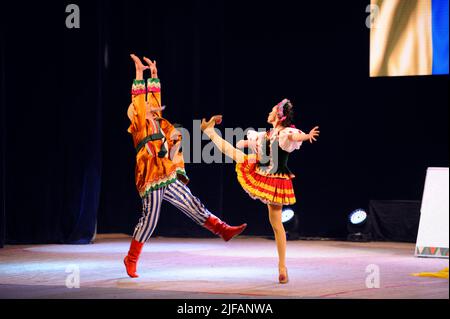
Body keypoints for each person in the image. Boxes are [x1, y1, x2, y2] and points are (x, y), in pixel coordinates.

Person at [124, 54, 247, 278]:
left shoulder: (160, 123)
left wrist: (154, 74)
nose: (154, 106)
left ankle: (222, 230)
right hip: (149, 174)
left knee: (191, 203)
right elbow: (141, 102)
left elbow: (152, 99)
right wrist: (139, 74)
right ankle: (131, 259)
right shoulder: (139, 125)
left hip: (166, 172)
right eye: (149, 106)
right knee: (150, 219)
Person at [200, 99, 320, 284]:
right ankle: (282, 267)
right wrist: (247, 143)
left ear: (280, 117)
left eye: (272, 110)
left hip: (269, 175)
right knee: (276, 225)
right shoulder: (268, 135)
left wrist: (306, 136)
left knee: (276, 223)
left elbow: (294, 137)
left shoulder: (285, 132)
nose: (269, 112)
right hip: (269, 173)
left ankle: (209, 132)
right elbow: (248, 144)